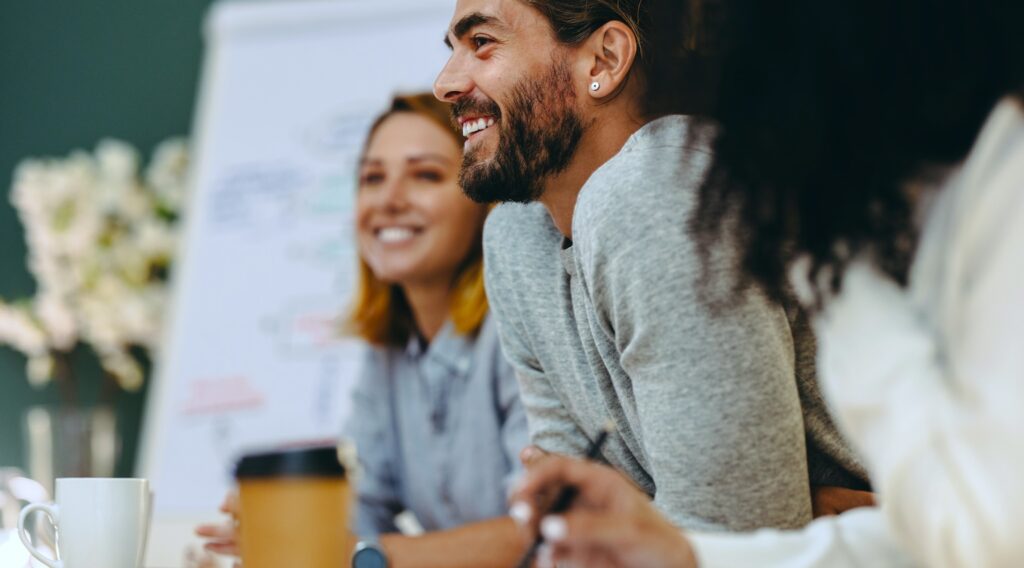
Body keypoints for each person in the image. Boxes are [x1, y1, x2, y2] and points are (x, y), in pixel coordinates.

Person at [509, 0, 1024, 566]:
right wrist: (695, 552)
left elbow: (983, 528)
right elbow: (944, 527)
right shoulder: (853, 194)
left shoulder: (994, 174)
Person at [434, 0, 870, 534]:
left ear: (603, 61)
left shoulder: (657, 188)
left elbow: (740, 535)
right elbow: (572, 524)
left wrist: (650, 521)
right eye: (453, 50)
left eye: (482, 43)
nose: (445, 83)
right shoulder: (516, 238)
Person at [197, 93, 530, 567]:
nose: (389, 200)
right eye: (372, 178)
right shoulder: (391, 348)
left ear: (483, 199)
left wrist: (365, 555)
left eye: (426, 175)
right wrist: (290, 521)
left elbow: (541, 527)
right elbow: (362, 505)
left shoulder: (520, 327)